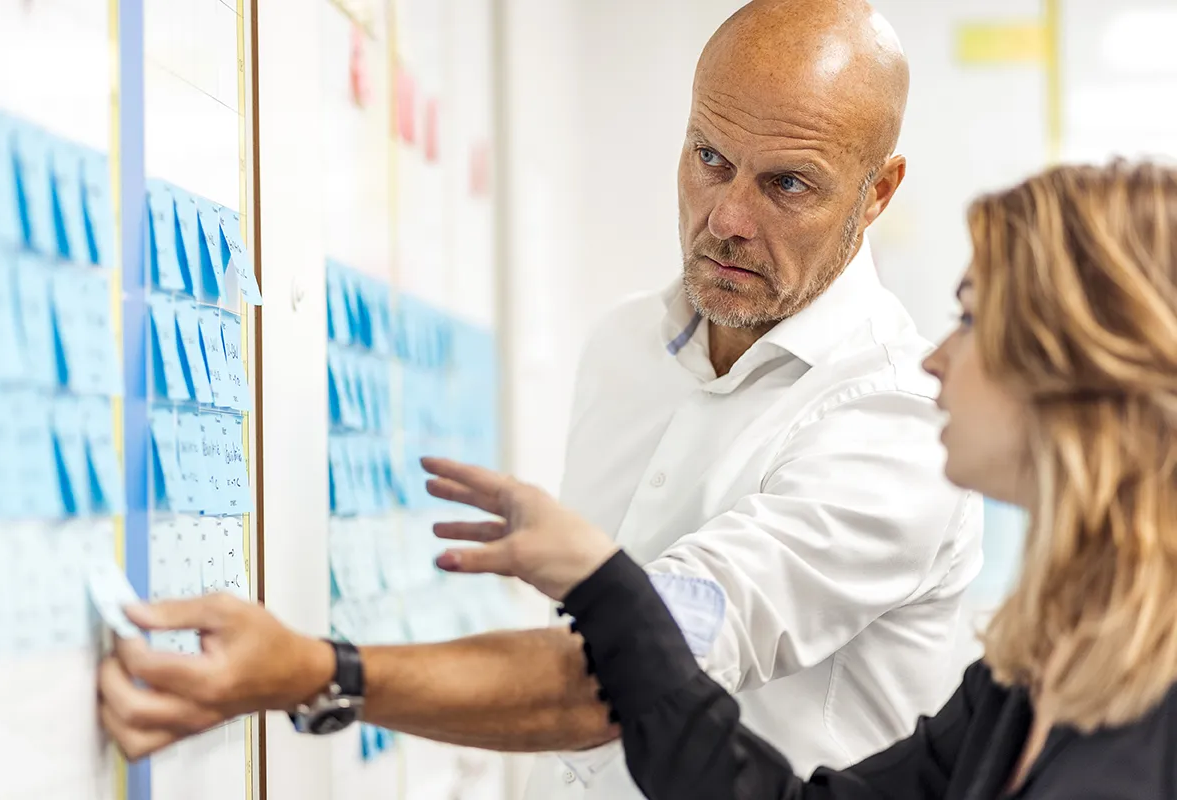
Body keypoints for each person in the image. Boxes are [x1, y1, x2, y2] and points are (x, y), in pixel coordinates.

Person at [98, 0, 983, 788]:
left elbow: (633, 675)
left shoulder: (900, 427)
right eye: (709, 157)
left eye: (786, 184)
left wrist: (315, 671)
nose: (727, 218)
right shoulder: (624, 349)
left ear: (878, 194)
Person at [411, 160, 1177, 798]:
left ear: (1087, 368)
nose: (938, 356)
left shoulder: (884, 411)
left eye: (973, 320)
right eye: (710, 157)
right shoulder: (1028, 678)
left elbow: (607, 682)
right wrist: (607, 586)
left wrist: (324, 675)